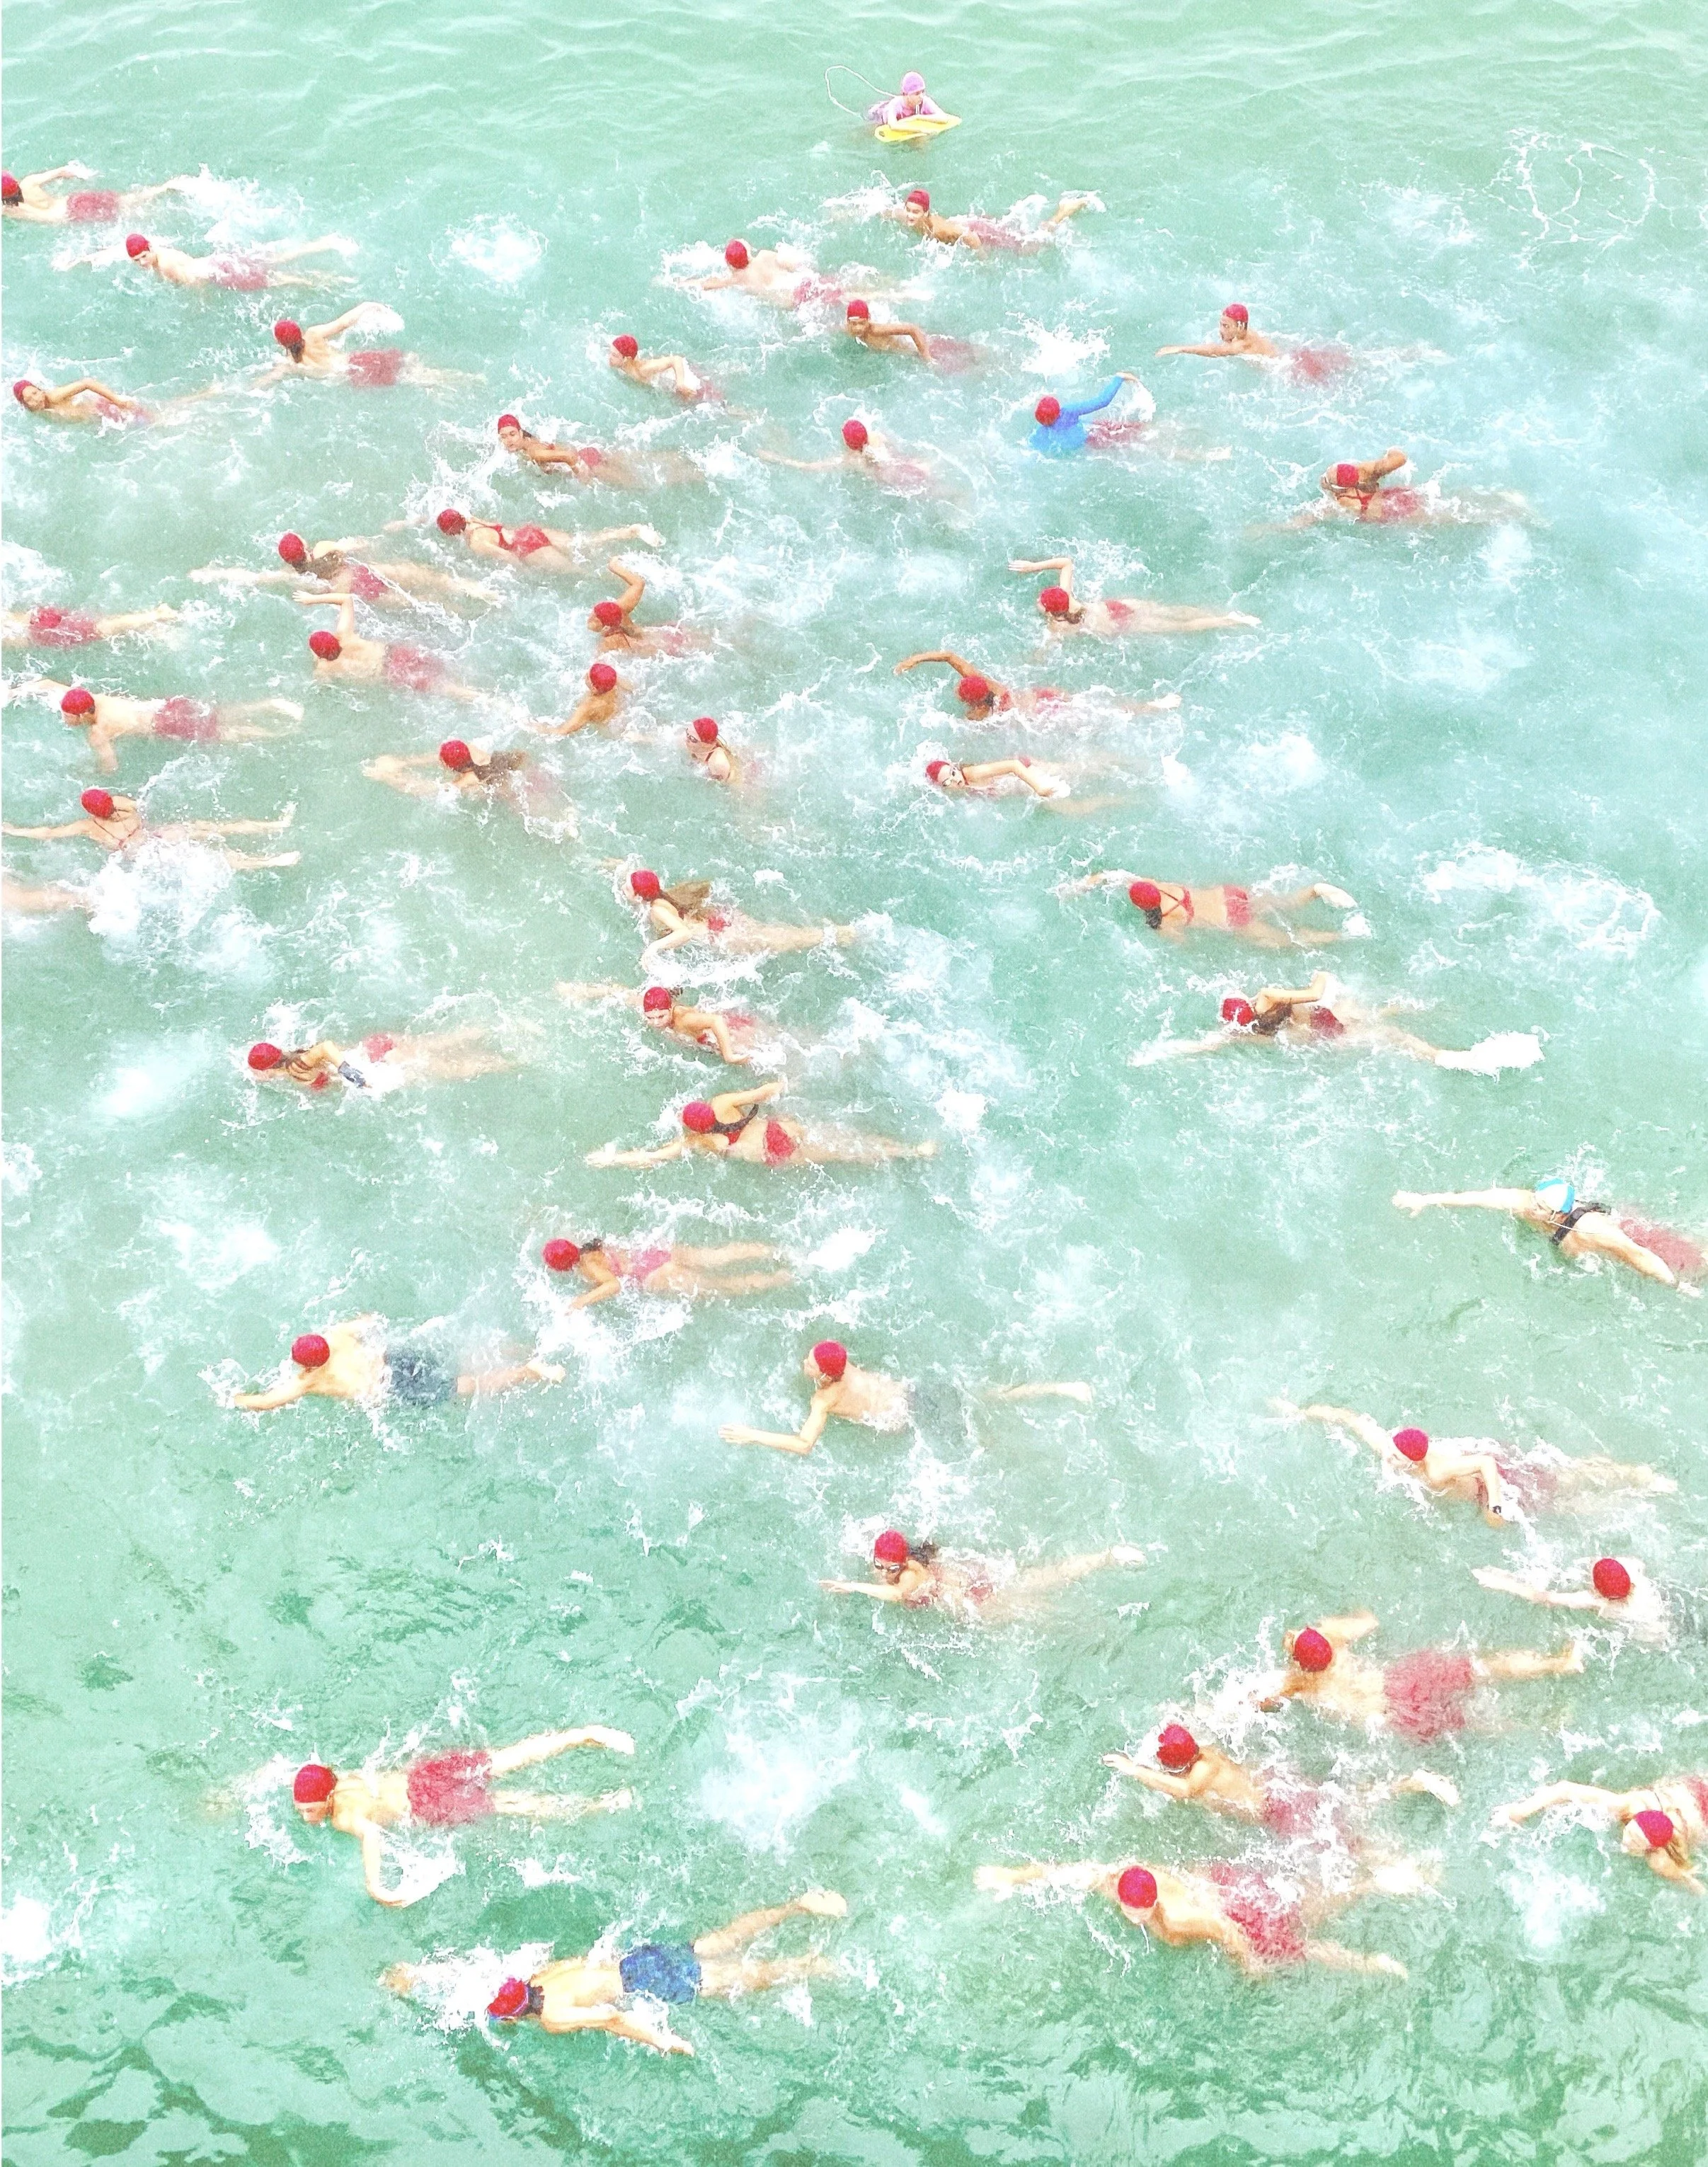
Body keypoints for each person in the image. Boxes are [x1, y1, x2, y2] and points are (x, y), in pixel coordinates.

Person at [386, 1889, 849, 2052]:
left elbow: (609, 2019)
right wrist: (422, 1974)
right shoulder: (541, 1977)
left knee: (741, 1978)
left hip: (650, 1983)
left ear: (512, 2017)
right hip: (635, 1959)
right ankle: (795, 1905)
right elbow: (568, 1959)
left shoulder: (552, 2017)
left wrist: (662, 2039)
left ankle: (810, 1965)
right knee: (721, 1940)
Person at [287, 1728, 635, 1906]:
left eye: (310, 1809)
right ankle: (583, 1735)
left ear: (328, 1799)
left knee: (510, 1804)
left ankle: (599, 1806)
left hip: (426, 1803)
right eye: (301, 1811)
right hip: (423, 1775)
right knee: (507, 1759)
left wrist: (374, 1885)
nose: (306, 1818)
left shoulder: (341, 1818)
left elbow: (371, 1835)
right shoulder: (343, 1780)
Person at [973, 1857, 1414, 1979]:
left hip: (1235, 1915)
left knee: (1300, 1946)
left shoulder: (1179, 1919)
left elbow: (1226, 1931)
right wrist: (1013, 1877)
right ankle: (1371, 1882)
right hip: (1228, 1886)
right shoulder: (1120, 1878)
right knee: (1301, 1906)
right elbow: (1067, 1872)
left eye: (1135, 1911)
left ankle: (1370, 1962)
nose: (1129, 1915)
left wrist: (1251, 1968)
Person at [1280, 1400, 1676, 1528]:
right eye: (1392, 1452)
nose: (1389, 1457)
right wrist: (1300, 1413)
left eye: (1397, 1457)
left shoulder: (1435, 1471)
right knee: (1562, 1477)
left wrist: (1495, 1506)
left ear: (1413, 1460)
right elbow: (1351, 1418)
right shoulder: (1392, 1447)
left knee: (1563, 1494)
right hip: (1483, 1469)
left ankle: (1634, 1483)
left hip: (1498, 1481)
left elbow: (1486, 1463)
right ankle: (1631, 1478)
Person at [1261, 1611, 1583, 1743]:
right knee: (1482, 1668)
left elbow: (1260, 1700)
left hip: (1395, 1715)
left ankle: (1546, 1726)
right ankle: (1559, 1664)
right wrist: (1329, 1624)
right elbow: (1369, 1620)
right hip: (1404, 1680)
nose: (1291, 1633)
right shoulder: (1336, 1643)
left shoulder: (1299, 1682)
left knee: (1473, 1721)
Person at [1104, 1723, 1457, 1838]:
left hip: (1277, 1808)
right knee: (1343, 1802)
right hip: (1274, 1787)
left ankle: (1413, 1783)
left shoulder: (1198, 1775)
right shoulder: (1205, 1753)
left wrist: (1133, 1769)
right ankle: (1410, 1783)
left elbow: (1182, 1791)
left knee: (1347, 1818)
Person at [1174, 972, 1542, 1072]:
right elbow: (1317, 992)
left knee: (1381, 1026)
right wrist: (1322, 972)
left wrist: (1168, 1051)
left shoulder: (1254, 1033)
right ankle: (1444, 1055)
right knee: (1393, 1032)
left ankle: (1428, 1032)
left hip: (1322, 1041)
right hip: (1326, 1019)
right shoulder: (1270, 996)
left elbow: (1213, 1042)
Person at [1391, 1178, 1702, 1288]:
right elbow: (1479, 1197)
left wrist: (1673, 1285)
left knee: (1693, 1261)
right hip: (1597, 1243)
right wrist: (1426, 1200)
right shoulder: (1526, 1202)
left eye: (1541, 1207)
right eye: (1535, 1201)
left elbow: (1639, 1255)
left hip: (1633, 1240)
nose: (1532, 1209)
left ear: (1559, 1214)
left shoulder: (1591, 1230)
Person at [226, 1316, 563, 1412]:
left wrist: (235, 1398)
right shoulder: (336, 1335)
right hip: (395, 1359)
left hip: (394, 1386)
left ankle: (528, 1371)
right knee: (456, 1363)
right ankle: (519, 1351)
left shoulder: (309, 1381)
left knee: (466, 1387)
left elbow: (268, 1402)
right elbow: (370, 1321)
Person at [823, 1526, 1145, 1621]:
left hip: (976, 1601)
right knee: (1043, 1580)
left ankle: (1102, 1613)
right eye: (878, 1565)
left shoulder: (908, 1576)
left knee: (1045, 1614)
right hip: (971, 1580)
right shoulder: (897, 1563)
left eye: (890, 1568)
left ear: (904, 1563)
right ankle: (1107, 1558)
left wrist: (851, 1586)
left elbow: (896, 1595)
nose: (882, 1573)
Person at [588, 1084, 936, 1172]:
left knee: (842, 1156)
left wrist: (614, 1158)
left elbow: (655, 1157)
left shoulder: (699, 1143)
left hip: (774, 1155)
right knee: (847, 1140)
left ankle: (907, 1154)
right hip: (781, 1130)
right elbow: (767, 1091)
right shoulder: (724, 1103)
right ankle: (909, 1149)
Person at [18, 676, 300, 773]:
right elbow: (48, 685)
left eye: (68, 715)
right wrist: (14, 692)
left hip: (167, 725)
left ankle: (278, 734)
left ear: (81, 716)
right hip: (165, 706)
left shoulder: (98, 732)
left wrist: (86, 771)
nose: (64, 718)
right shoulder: (94, 698)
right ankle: (272, 704)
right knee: (222, 713)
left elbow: (110, 767)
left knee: (225, 734)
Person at [1490, 1773, 1707, 1892]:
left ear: (1651, 1848)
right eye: (1631, 1832)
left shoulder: (1660, 1859)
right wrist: (1518, 1812)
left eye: (1635, 1842)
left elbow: (1691, 1882)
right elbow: (1565, 1789)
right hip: (1691, 1790)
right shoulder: (1625, 1805)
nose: (1627, 1841)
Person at [4, 787, 298, 871]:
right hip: (158, 833)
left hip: (147, 854)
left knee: (215, 860)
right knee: (215, 828)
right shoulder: (122, 805)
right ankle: (273, 825)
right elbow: (138, 803)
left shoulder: (89, 827)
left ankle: (272, 861)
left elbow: (49, 833)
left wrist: (13, 831)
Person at [193, 532, 494, 607]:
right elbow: (360, 545)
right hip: (369, 572)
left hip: (355, 590)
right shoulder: (325, 548)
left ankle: (461, 609)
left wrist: (213, 574)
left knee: (423, 604)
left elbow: (255, 578)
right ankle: (481, 591)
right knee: (434, 579)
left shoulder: (300, 578)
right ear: (305, 546)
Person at [1056, 869, 1356, 944]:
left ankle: (1340, 937)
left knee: (1282, 942)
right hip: (1228, 895)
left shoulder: (1164, 921)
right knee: (1281, 904)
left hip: (1231, 920)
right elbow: (1113, 876)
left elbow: (1183, 944)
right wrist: (1083, 884)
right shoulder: (1157, 883)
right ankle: (1316, 891)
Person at [624, 867, 856, 964]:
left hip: (719, 936)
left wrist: (654, 948)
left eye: (627, 888)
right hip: (718, 919)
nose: (624, 889)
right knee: (775, 934)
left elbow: (683, 933)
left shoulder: (657, 909)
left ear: (638, 897)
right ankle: (832, 933)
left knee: (781, 941)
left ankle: (839, 935)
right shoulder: (661, 894)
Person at [718, 1339, 911, 1455]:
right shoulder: (840, 1359)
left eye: (810, 1365)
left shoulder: (825, 1398)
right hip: (906, 1394)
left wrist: (752, 1435)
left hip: (896, 1421)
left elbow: (804, 1445)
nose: (804, 1362)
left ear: (826, 1376)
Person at [895, 651, 1182, 725]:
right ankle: (1151, 705)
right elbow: (949, 656)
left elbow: (966, 727)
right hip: (1045, 695)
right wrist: (916, 659)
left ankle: (1151, 710)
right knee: (1097, 705)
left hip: (1046, 715)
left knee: (1101, 718)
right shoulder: (987, 683)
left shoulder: (980, 714)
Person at [1011, 558, 1259, 636]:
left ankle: (1231, 620)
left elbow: (1048, 650)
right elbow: (1066, 563)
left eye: (1041, 603)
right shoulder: (1067, 595)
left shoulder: (1058, 626)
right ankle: (1221, 614)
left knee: (1180, 628)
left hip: (1122, 624)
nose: (1038, 602)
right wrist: (1033, 567)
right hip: (1118, 607)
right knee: (1172, 610)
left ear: (1053, 611)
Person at [246, 1026, 516, 1097]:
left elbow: (326, 1047)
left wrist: (347, 1070)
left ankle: (513, 1062)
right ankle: (493, 1028)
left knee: (450, 1069)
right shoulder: (288, 1063)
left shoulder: (298, 1067)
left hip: (380, 1065)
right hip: (374, 1047)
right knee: (439, 1043)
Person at [300, 595, 479, 699]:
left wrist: (317, 660)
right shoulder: (345, 637)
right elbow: (346, 599)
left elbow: (320, 687)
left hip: (393, 672)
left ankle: (485, 700)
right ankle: (474, 680)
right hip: (396, 653)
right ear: (334, 639)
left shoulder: (326, 668)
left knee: (448, 689)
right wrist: (312, 599)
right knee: (446, 667)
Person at [363, 740, 570, 826]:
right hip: (532, 777)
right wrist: (404, 762)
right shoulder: (473, 750)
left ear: (451, 768)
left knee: (554, 826)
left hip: (519, 798)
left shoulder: (466, 782)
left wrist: (388, 778)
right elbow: (441, 756)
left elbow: (425, 790)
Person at [1297, 452, 1530, 527]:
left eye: (1326, 479)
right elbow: (1400, 458)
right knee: (1455, 501)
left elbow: (1303, 522)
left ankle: (1517, 516)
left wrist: (1272, 529)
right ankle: (1505, 498)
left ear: (1338, 489)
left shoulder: (1338, 504)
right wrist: (1389, 451)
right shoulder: (1365, 473)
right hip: (1401, 495)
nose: (1324, 480)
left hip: (1398, 513)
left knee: (1461, 518)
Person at [555, 981, 765, 1064]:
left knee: (763, 1052)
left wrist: (729, 1054)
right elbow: (617, 991)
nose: (656, 1023)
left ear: (671, 1009)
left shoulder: (684, 1019)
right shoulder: (647, 1007)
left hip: (733, 1032)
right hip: (707, 1038)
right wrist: (581, 993)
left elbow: (716, 1021)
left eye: (661, 1017)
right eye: (651, 1018)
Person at [542, 1235, 789, 1305]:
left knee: (722, 1287)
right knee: (716, 1257)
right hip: (656, 1253)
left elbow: (613, 1285)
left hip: (657, 1275)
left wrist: (580, 1302)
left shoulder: (589, 1268)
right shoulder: (589, 1247)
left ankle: (779, 1279)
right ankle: (776, 1250)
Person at [256, 310, 474, 388]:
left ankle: (461, 382)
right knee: (413, 365)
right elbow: (343, 323)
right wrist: (367, 306)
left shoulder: (290, 365)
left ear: (280, 343)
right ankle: (466, 378)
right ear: (299, 331)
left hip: (354, 376)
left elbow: (266, 381)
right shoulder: (313, 335)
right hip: (358, 360)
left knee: (414, 378)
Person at [432, 508, 661, 577]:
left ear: (451, 532)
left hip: (529, 549)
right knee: (582, 543)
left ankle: (623, 572)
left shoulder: (475, 542)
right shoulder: (474, 521)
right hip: (529, 532)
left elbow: (508, 556)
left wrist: (526, 575)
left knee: (580, 573)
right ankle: (630, 532)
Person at [495, 412, 696, 490]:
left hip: (589, 463)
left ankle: (693, 476)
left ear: (521, 433)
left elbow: (568, 456)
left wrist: (581, 473)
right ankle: (679, 457)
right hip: (590, 451)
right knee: (642, 460)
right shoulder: (529, 440)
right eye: (504, 436)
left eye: (512, 434)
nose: (509, 440)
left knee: (641, 484)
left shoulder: (533, 453)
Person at [121, 229, 350, 291]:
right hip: (220, 261)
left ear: (150, 248)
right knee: (275, 261)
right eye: (137, 261)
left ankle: (325, 282)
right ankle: (324, 243)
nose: (142, 263)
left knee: (276, 280)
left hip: (222, 274)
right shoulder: (161, 251)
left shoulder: (166, 265)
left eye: (143, 257)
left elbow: (195, 282)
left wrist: (200, 306)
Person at [755, 416, 934, 494]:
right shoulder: (877, 436)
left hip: (895, 484)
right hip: (911, 467)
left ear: (849, 444)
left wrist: (774, 458)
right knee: (937, 487)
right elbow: (897, 450)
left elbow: (808, 467)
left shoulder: (851, 460)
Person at [881, 188, 1097, 252]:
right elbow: (885, 210)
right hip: (967, 222)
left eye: (916, 212)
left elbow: (971, 237)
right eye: (908, 210)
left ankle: (1062, 212)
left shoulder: (940, 231)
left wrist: (984, 262)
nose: (910, 215)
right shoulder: (905, 216)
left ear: (926, 213)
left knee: (1027, 247)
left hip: (975, 230)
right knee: (1012, 231)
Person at [1, 162, 190, 225]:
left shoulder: (10, 209)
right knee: (125, 201)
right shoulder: (29, 182)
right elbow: (62, 171)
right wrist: (80, 174)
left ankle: (173, 213)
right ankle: (164, 188)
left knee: (128, 215)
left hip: (72, 215)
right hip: (76, 200)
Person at [689, 239, 846, 311]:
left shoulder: (739, 279)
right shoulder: (765, 255)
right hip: (806, 282)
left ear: (730, 265)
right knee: (845, 294)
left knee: (841, 302)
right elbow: (792, 265)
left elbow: (708, 285)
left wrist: (684, 284)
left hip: (794, 300)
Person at [588, 559, 701, 656]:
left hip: (662, 648)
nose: (592, 615)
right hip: (664, 632)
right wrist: (614, 566)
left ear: (606, 625)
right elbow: (639, 583)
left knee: (704, 645)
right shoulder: (619, 609)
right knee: (704, 637)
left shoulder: (610, 642)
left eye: (595, 617)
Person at [1029, 376, 1153, 454]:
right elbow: (1102, 401)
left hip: (1086, 445)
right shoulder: (1068, 412)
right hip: (1092, 435)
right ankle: (1150, 431)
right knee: (1131, 432)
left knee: (1127, 443)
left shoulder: (1038, 436)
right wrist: (1118, 379)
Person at [842, 298, 973, 370]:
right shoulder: (848, 330)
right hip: (906, 355)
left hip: (917, 349)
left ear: (869, 319)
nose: (858, 328)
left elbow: (912, 329)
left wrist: (927, 359)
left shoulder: (876, 330)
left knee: (963, 362)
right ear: (848, 322)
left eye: (862, 323)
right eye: (854, 324)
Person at [11, 374, 171, 425]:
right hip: (100, 419)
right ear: (25, 405)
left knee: (157, 422)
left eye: (35, 393)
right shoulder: (36, 411)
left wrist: (118, 401)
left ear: (40, 390)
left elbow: (87, 383)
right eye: (30, 399)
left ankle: (185, 405)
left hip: (106, 409)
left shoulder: (53, 396)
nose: (36, 398)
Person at [4, 603, 178, 648]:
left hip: (42, 631)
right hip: (38, 618)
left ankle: (156, 615)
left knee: (100, 630)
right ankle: (149, 626)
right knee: (98, 625)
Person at [607, 333, 718, 402]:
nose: (610, 357)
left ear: (626, 359)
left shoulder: (643, 369)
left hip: (686, 382)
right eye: (611, 353)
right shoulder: (626, 365)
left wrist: (680, 385)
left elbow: (676, 359)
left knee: (711, 402)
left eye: (614, 355)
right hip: (670, 382)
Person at [1157, 303, 1279, 362]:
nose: (1221, 330)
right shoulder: (1246, 332)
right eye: (1221, 324)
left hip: (1283, 371)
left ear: (1240, 327)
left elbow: (1215, 351)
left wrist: (1180, 349)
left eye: (1226, 326)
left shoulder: (1241, 345)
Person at [536, 662, 627, 738]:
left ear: (594, 689)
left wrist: (531, 727)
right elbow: (633, 689)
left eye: (588, 676)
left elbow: (562, 731)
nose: (585, 675)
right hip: (616, 720)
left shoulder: (588, 707)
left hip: (604, 733)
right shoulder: (613, 684)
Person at [924, 756, 1071, 802]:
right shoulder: (954, 795)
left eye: (953, 773)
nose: (956, 780)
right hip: (1019, 784)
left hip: (1028, 771)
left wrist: (1038, 788)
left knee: (1068, 805)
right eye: (948, 782)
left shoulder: (971, 773)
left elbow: (1013, 765)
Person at [866, 70, 946, 127]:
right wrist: (919, 129)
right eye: (917, 93)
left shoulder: (924, 101)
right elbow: (893, 125)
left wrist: (919, 118)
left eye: (923, 92)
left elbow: (944, 118)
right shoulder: (895, 105)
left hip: (909, 118)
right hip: (879, 116)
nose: (921, 96)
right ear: (906, 94)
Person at [684, 715, 745, 785]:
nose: (686, 739)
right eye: (687, 733)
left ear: (705, 744)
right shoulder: (690, 741)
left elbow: (724, 788)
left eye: (692, 739)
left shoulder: (718, 764)